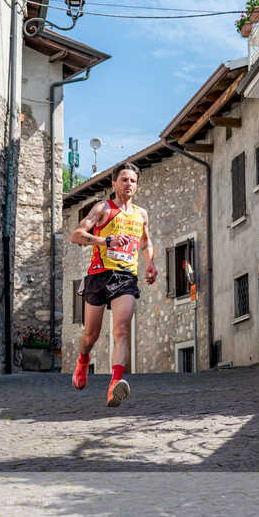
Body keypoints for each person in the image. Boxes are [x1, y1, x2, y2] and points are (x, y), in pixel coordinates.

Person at [69, 162, 158, 407]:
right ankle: (83, 361)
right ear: (114, 183)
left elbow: (146, 241)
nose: (129, 184)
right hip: (99, 276)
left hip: (126, 277)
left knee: (121, 330)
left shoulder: (141, 214)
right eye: (124, 180)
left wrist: (150, 263)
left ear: (136, 186)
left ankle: (114, 384)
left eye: (133, 181)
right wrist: (106, 241)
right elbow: (76, 235)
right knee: (91, 335)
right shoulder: (103, 208)